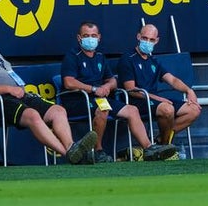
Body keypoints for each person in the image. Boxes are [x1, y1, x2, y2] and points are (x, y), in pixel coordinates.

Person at [0, 20, 97, 163]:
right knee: (32, 115)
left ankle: (71, 146)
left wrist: (17, 89)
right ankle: (70, 154)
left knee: (58, 111)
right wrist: (9, 88)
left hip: (21, 95)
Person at [60, 22, 177, 162]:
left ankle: (149, 148)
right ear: (79, 38)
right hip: (78, 100)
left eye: (93, 36)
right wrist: (94, 89)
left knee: (132, 110)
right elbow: (68, 82)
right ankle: (97, 151)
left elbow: (113, 80)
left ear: (99, 37)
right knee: (103, 108)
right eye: (86, 36)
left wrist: (107, 86)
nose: (90, 39)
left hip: (100, 98)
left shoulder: (100, 57)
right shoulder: (73, 56)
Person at [117, 24, 202, 146]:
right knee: (167, 109)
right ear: (138, 37)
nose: (147, 42)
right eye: (145, 38)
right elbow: (131, 89)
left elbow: (172, 80)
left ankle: (160, 141)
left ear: (156, 41)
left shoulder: (153, 61)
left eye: (151, 40)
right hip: (137, 102)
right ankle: (165, 146)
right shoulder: (128, 58)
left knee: (194, 110)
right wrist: (158, 98)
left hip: (155, 101)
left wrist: (189, 91)